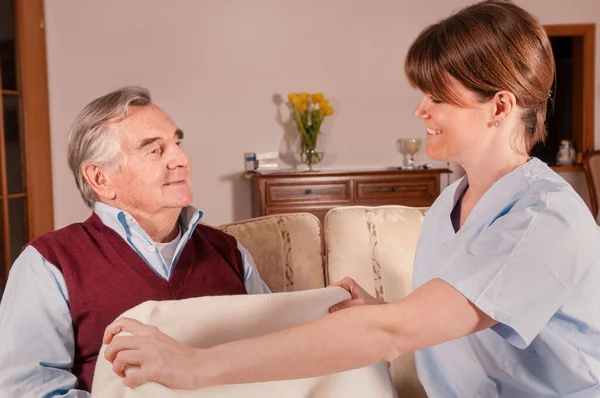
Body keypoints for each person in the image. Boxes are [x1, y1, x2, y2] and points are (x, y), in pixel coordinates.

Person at [102, 1, 600, 396]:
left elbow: (394, 334)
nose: (419, 108)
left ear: (500, 107)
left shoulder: (542, 219)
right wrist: (383, 309)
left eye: (437, 97)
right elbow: (459, 319)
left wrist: (195, 366)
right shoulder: (453, 203)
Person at [0, 87, 270, 397]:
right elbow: (28, 391)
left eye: (177, 143)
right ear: (100, 179)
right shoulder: (48, 264)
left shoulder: (230, 252)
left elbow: (276, 352)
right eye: (154, 150)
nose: (180, 159)